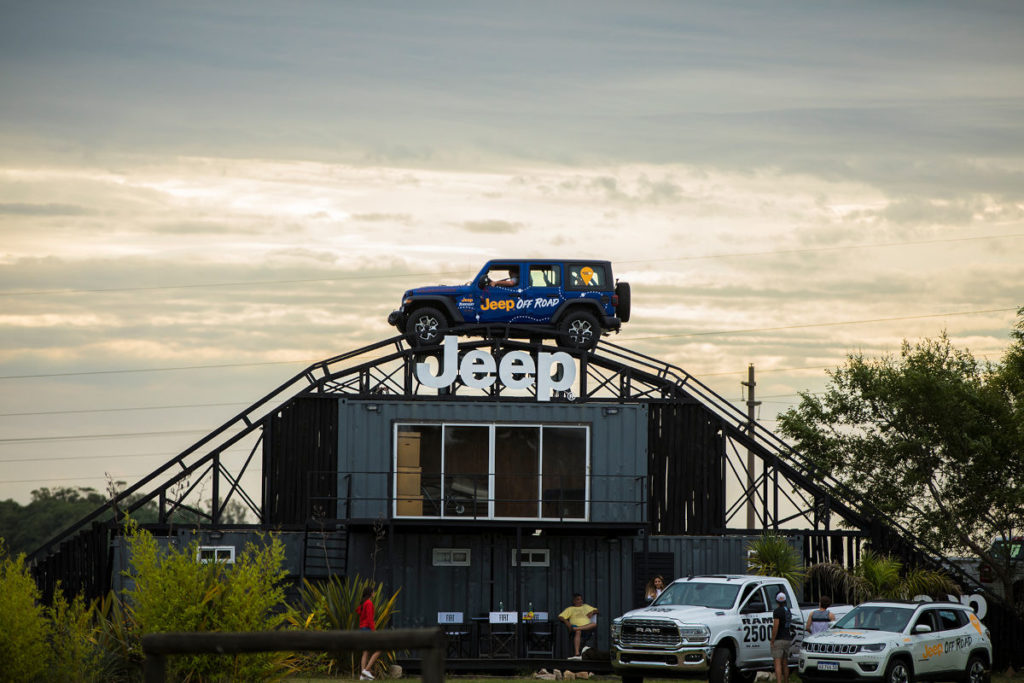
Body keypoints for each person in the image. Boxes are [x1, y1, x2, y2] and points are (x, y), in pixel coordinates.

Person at [559, 593, 598, 659]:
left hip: (586, 628)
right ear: (574, 601)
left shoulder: (585, 606)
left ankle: (577, 628)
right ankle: (577, 653)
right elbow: (560, 617)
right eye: (578, 599)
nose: (580, 601)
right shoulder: (570, 609)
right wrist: (567, 622)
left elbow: (596, 610)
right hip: (576, 629)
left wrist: (592, 612)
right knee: (578, 631)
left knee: (594, 624)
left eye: (581, 599)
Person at [770, 591, 794, 683]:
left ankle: (779, 681)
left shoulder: (777, 611)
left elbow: (775, 627)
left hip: (779, 639)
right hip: (787, 638)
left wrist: (772, 640)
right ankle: (786, 681)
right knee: (785, 663)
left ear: (777, 601)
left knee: (777, 663)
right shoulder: (788, 610)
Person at [359, 586, 382, 680]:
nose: (374, 593)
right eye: (373, 591)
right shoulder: (369, 603)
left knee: (365, 652)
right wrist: (373, 630)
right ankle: (366, 670)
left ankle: (362, 676)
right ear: (370, 593)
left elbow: (360, 614)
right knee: (379, 649)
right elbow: (369, 619)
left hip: (362, 629)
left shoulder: (363, 603)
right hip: (367, 629)